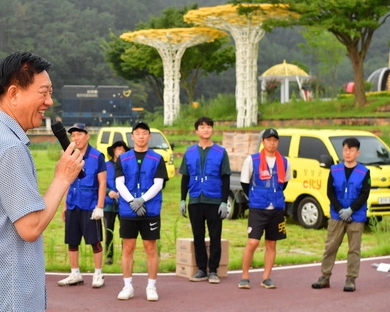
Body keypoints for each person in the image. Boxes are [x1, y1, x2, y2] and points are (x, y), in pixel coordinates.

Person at [0, 52, 84, 312]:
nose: (49, 101)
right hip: (4, 297)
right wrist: (62, 177)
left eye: (50, 92)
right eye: (43, 92)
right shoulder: (9, 146)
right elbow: (30, 227)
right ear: (13, 94)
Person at [115, 122, 169, 302]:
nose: (141, 136)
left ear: (149, 136)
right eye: (137, 133)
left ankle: (151, 286)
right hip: (128, 211)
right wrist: (132, 201)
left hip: (150, 210)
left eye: (144, 133)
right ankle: (127, 285)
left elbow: (158, 184)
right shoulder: (123, 158)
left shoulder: (157, 158)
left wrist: (142, 200)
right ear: (132, 136)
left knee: (150, 248)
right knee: (128, 247)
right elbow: (119, 184)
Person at [311, 137, 371, 292]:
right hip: (337, 215)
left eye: (351, 150)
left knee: (354, 249)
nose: (348, 152)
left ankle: (351, 279)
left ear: (357, 152)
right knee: (330, 246)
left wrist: (351, 210)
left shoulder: (364, 172)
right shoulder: (334, 170)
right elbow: (330, 192)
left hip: (356, 216)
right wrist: (340, 210)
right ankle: (324, 277)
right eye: (345, 149)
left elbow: (364, 194)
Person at [179, 116, 231, 284]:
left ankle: (214, 270)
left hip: (214, 200)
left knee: (215, 236)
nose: (206, 129)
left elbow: (225, 178)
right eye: (202, 127)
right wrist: (182, 199)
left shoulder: (220, 152)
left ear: (212, 130)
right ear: (197, 131)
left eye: (209, 126)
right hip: (195, 199)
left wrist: (224, 201)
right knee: (198, 235)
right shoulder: (189, 152)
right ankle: (202, 269)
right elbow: (185, 178)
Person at [238, 128, 291, 290]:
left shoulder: (285, 161)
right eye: (269, 140)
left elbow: (284, 183)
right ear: (263, 142)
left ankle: (266, 277)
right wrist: (256, 196)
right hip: (258, 207)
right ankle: (245, 276)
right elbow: (245, 183)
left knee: (271, 244)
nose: (272, 143)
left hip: (276, 207)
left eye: (275, 140)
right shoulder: (252, 160)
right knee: (253, 242)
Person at [57, 123, 107, 288]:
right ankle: (75, 273)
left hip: (90, 204)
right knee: (72, 241)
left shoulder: (97, 156)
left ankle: (98, 273)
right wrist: (65, 205)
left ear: (87, 135)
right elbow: (66, 181)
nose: (76, 138)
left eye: (79, 134)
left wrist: (100, 206)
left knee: (95, 241)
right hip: (73, 203)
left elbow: (102, 183)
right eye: (73, 135)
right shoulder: (69, 155)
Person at [103, 140, 129, 266]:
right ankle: (109, 255)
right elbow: (100, 183)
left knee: (125, 230)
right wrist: (109, 192)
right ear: (113, 150)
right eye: (119, 149)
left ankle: (126, 254)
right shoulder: (106, 166)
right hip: (108, 203)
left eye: (123, 150)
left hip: (124, 204)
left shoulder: (128, 165)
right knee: (109, 231)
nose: (121, 152)